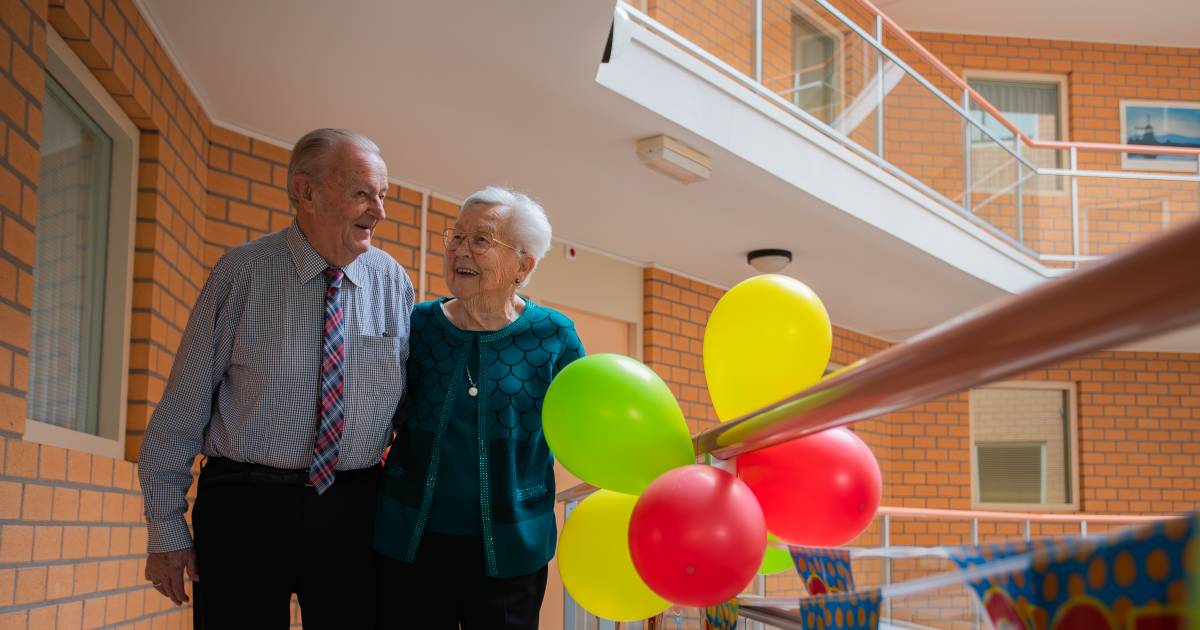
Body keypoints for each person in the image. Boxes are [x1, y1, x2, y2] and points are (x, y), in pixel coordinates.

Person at [138, 128, 413, 629]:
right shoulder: (241, 272)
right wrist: (165, 530)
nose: (379, 210)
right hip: (245, 505)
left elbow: (405, 409)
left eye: (383, 195)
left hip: (352, 508)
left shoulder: (393, 281)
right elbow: (185, 403)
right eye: (362, 193)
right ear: (305, 192)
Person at [375, 186, 584, 629]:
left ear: (523, 265)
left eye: (481, 240)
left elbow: (582, 428)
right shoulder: (420, 325)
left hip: (510, 549)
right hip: (412, 539)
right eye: (456, 237)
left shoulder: (554, 336)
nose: (460, 251)